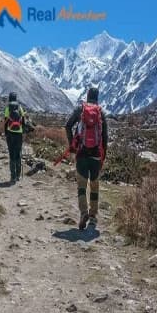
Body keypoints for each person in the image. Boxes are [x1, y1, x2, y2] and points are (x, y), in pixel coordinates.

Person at [65, 87, 108, 230]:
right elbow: (105, 137)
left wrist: (72, 145)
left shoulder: (80, 110)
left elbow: (68, 126)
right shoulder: (101, 112)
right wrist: (103, 157)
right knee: (95, 186)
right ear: (97, 97)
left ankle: (83, 212)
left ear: (87, 96)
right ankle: (93, 215)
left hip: (82, 154)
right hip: (96, 155)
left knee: (82, 186)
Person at [4, 92, 26, 184]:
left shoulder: (7, 108)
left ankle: (12, 176)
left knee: (11, 155)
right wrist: (23, 131)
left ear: (9, 98)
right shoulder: (20, 107)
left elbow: (5, 122)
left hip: (10, 133)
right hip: (19, 134)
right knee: (18, 154)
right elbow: (23, 121)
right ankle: (17, 176)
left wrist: (6, 133)